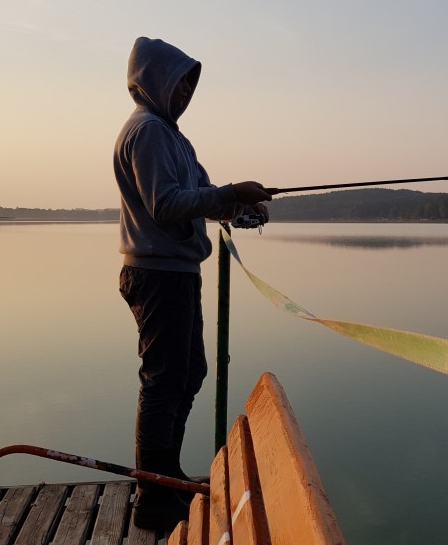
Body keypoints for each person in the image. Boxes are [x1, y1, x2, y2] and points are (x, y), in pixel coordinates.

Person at [113, 37, 272, 531]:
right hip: (157, 274)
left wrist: (242, 209)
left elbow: (201, 197)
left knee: (191, 372)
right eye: (180, 83)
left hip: (177, 272)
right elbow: (165, 204)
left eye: (190, 85)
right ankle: (154, 496)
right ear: (155, 80)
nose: (185, 93)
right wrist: (229, 193)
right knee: (164, 380)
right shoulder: (148, 132)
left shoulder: (174, 138)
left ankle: (167, 476)